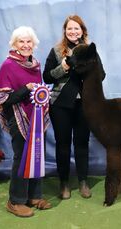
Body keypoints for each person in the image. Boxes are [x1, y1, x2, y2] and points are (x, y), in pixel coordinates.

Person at [43, 15, 105, 200]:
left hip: (84, 104)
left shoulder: (89, 50)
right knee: (62, 144)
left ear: (82, 30)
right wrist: (63, 67)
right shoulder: (56, 50)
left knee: (81, 143)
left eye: (76, 28)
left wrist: (86, 71)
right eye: (69, 28)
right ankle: (64, 183)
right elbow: (47, 77)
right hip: (60, 104)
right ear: (65, 31)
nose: (73, 32)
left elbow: (101, 75)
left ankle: (83, 181)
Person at [0, 26, 51, 217]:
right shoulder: (8, 65)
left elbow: (39, 94)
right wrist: (26, 88)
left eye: (29, 41)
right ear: (14, 44)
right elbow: (4, 100)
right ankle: (15, 201)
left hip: (36, 118)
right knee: (22, 157)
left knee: (36, 155)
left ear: (34, 44)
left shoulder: (36, 65)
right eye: (21, 41)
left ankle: (34, 196)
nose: (26, 45)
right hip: (17, 118)